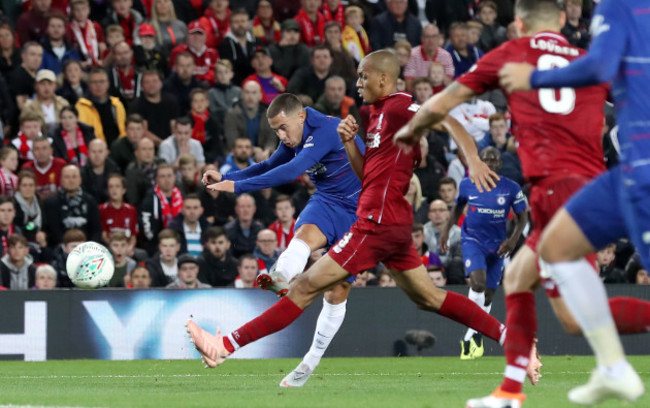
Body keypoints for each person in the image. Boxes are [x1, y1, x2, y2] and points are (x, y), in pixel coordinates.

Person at [187, 51, 507, 389]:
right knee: (425, 296)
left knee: (325, 289)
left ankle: (287, 355)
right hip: (342, 204)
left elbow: (294, 171)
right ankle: (510, 337)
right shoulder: (373, 114)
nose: (357, 84)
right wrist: (227, 176)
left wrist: (232, 186)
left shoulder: (358, 118)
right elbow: (275, 165)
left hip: (366, 216)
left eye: (362, 77)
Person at [398, 1, 645, 406]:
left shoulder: (511, 54)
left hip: (557, 191)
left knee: (574, 314)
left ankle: (596, 372)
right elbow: (623, 111)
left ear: (517, 24)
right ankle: (510, 392)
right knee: (517, 282)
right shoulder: (586, 60)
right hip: (584, 187)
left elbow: (443, 102)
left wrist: (410, 130)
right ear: (564, 20)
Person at [497, 0, 650, 404]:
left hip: (637, 169)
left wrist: (535, 78)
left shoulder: (619, 8)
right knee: (549, 254)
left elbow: (599, 67)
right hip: (624, 173)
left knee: (569, 310)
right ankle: (608, 366)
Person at [443, 147, 528, 360]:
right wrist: (446, 231)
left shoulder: (511, 188)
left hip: (498, 245)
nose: (490, 162)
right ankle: (475, 332)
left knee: (489, 294)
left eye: (494, 159)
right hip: (472, 240)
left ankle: (471, 334)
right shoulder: (467, 184)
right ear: (479, 162)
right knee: (478, 283)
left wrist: (512, 240)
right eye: (486, 159)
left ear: (499, 163)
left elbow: (523, 218)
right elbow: (456, 208)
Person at [42, 164, 102, 246]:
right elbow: (53, 231)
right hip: (61, 248)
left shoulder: (90, 201)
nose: (71, 180)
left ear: (80, 180)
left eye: (74, 177)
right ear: (61, 180)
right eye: (67, 177)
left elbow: (96, 230)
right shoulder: (51, 202)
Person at [224, 83, 276, 162]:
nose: (250, 97)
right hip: (240, 154)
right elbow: (232, 141)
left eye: (254, 93)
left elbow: (272, 138)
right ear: (242, 95)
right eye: (247, 92)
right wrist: (253, 150)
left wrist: (267, 150)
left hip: (263, 155)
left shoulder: (268, 115)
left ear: (260, 96)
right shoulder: (232, 114)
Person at [139, 164, 184, 255]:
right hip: (156, 245)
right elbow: (146, 227)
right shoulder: (149, 199)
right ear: (156, 180)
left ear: (174, 177)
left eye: (169, 176)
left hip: (179, 242)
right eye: (162, 176)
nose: (166, 180)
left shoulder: (181, 196)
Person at [76, 68, 126, 146]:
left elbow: (123, 130)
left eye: (102, 81)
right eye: (94, 82)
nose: (98, 85)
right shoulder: (81, 105)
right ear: (89, 85)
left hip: (117, 148)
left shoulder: (116, 104)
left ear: (108, 84)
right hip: (94, 149)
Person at [129, 70, 179, 145]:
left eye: (154, 81)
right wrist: (162, 144)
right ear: (142, 86)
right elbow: (142, 131)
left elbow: (175, 125)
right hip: (146, 146)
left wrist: (170, 145)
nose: (151, 85)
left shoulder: (171, 101)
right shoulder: (136, 105)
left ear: (161, 83)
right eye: (147, 82)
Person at [404, 24, 454, 92]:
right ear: (422, 38)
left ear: (439, 38)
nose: (431, 40)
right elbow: (409, 86)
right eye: (427, 36)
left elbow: (449, 83)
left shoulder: (446, 56)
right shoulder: (412, 55)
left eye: (434, 36)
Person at [169, 21, 218, 86]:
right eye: (193, 34)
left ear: (205, 36)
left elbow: (216, 75)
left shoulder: (213, 53)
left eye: (199, 34)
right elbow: (174, 74)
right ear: (187, 36)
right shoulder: (178, 52)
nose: (196, 37)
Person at [218, 9, 258, 85]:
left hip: (256, 84)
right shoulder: (225, 44)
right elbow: (229, 68)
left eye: (243, 21)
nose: (240, 25)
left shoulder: (256, 41)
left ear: (249, 23)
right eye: (236, 22)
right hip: (235, 84)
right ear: (230, 24)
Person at [221, 194, 264, 258]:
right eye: (242, 206)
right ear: (236, 209)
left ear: (254, 209)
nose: (245, 210)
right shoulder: (228, 229)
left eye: (248, 206)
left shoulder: (260, 229)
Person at [100, 174, 138, 246]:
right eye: (111, 187)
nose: (114, 190)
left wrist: (128, 248)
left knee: (142, 254)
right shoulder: (102, 209)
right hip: (109, 247)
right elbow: (103, 235)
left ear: (123, 190)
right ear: (108, 190)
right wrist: (116, 247)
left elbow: (133, 236)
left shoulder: (131, 210)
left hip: (126, 248)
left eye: (117, 186)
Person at [125, 138, 165, 207]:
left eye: (150, 149)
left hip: (164, 204)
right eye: (144, 149)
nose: (148, 153)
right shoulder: (132, 171)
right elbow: (133, 199)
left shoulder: (161, 164)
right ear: (136, 153)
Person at [81, 139, 120, 204]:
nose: (97, 155)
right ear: (88, 153)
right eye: (94, 152)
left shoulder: (115, 172)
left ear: (107, 153)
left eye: (100, 151)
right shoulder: (82, 174)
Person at [68, 0, 106, 68]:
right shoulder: (69, 27)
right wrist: (78, 63)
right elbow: (69, 49)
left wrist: (102, 60)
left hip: (96, 62)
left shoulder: (96, 26)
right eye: (77, 10)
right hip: (79, 64)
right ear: (72, 11)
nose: (81, 13)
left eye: (83, 9)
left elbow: (102, 46)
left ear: (89, 10)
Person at [107, 41, 143, 109]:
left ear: (131, 53)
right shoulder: (107, 76)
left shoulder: (141, 74)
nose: (123, 56)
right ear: (113, 56)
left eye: (125, 53)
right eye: (119, 54)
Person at [9, 42, 43, 110]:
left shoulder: (40, 75)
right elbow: (22, 106)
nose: (37, 59)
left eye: (39, 55)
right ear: (23, 56)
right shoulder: (18, 76)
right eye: (32, 54)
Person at [13, 170, 44, 244]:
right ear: (19, 187)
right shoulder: (13, 204)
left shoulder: (40, 203)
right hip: (19, 241)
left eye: (31, 185)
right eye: (24, 185)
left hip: (37, 240)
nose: (28, 188)